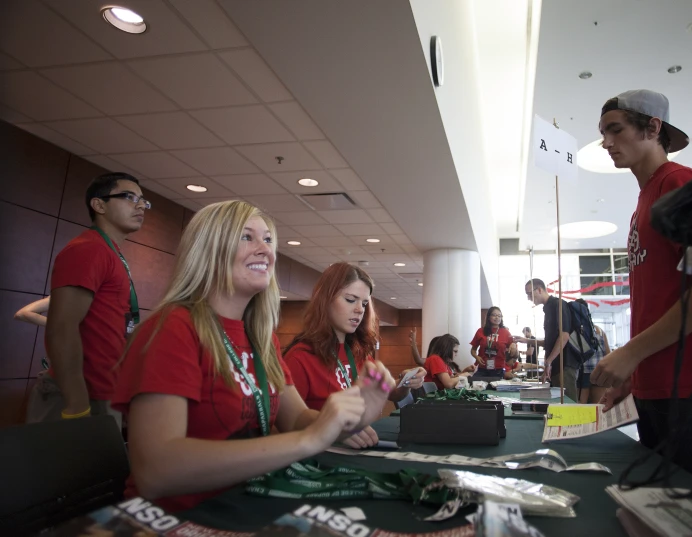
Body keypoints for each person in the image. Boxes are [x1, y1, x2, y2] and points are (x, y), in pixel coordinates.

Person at [111, 201, 393, 512]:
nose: (266, 251)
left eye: (269, 240)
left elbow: (297, 419)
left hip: (244, 501)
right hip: (177, 516)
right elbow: (156, 471)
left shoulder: (261, 338)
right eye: (247, 237)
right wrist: (311, 439)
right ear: (209, 250)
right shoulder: (172, 328)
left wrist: (354, 417)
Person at [590, 89, 692, 481]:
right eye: (603, 133)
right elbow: (658, 298)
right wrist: (635, 374)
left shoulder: (681, 184)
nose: (606, 143)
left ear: (653, 127)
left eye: (615, 130)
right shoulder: (643, 203)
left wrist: (630, 353)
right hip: (658, 389)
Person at [27, 172, 147, 426]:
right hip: (77, 396)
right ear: (99, 204)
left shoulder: (109, 252)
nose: (140, 205)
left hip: (102, 391)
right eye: (129, 197)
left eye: (142, 200)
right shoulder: (88, 249)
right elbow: (61, 328)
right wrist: (77, 403)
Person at [284, 263, 425, 446]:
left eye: (364, 303)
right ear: (325, 300)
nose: (360, 309)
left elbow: (390, 393)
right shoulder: (299, 357)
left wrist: (406, 383)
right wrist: (335, 429)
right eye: (351, 300)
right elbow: (287, 426)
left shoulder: (359, 353)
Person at [516, 279, 580, 401]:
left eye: (529, 293)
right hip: (556, 365)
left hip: (565, 363)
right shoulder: (548, 309)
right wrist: (527, 341)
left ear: (539, 289)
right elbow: (550, 342)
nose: (529, 298)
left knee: (567, 403)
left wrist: (548, 362)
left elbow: (564, 336)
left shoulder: (558, 305)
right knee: (557, 402)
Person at [470, 307, 516, 378]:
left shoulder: (506, 332)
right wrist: (477, 357)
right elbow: (473, 350)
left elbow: (514, 351)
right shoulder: (480, 331)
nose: (497, 317)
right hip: (482, 368)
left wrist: (513, 344)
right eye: (494, 315)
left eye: (499, 316)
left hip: (499, 369)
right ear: (489, 317)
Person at [578, 313, 609, 404]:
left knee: (581, 406)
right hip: (599, 370)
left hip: (583, 372)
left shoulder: (578, 330)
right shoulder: (600, 330)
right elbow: (607, 352)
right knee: (599, 405)